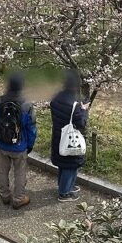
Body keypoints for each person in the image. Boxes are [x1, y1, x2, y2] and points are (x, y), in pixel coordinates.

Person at [0, 71, 37, 209]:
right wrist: (29, 145)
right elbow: (31, 129)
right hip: (20, 146)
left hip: (2, 144)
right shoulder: (26, 104)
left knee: (2, 170)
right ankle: (18, 199)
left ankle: (4, 195)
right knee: (20, 172)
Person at [50, 71, 89, 202]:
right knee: (70, 165)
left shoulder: (56, 97)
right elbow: (81, 123)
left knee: (63, 163)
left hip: (58, 135)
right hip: (70, 139)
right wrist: (84, 110)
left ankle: (65, 185)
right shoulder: (74, 104)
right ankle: (64, 192)